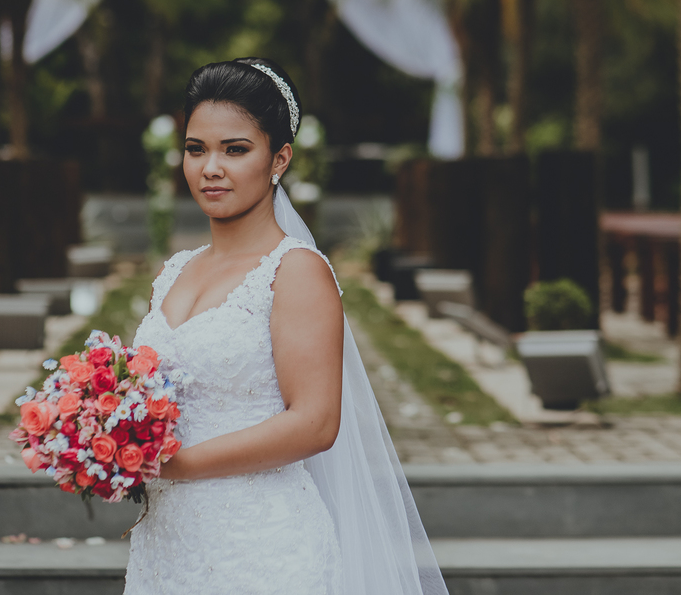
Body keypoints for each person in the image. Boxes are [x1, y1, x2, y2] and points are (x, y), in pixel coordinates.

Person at [124, 58, 446, 595]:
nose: (210, 168)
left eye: (235, 149)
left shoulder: (294, 271)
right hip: (167, 544)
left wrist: (176, 464)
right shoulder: (174, 272)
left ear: (279, 159)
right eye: (196, 148)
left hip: (260, 546)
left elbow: (316, 422)